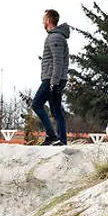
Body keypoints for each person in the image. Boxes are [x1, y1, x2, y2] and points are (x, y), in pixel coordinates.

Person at [33, 8, 69, 146]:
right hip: (55, 78)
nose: (42, 22)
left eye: (43, 19)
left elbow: (57, 61)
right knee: (56, 110)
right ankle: (61, 140)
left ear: (48, 20)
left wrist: (53, 82)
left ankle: (52, 136)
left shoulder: (55, 37)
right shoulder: (56, 37)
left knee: (36, 104)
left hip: (52, 79)